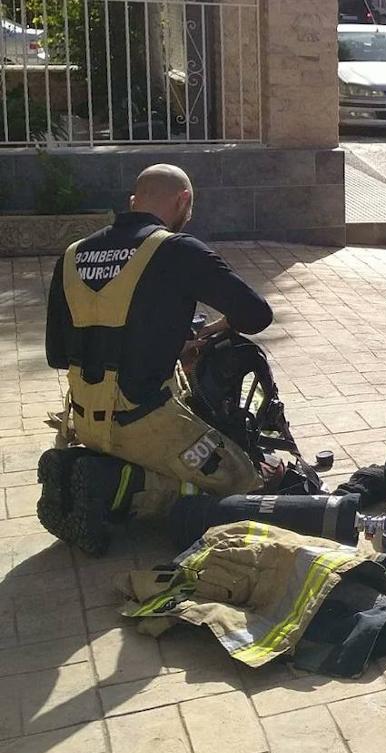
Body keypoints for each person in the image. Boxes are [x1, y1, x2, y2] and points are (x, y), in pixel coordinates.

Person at [40, 164, 273, 555]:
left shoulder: (72, 255)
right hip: (144, 420)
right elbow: (256, 315)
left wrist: (163, 344)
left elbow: (58, 353)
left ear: (133, 202)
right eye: (190, 208)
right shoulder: (178, 249)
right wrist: (221, 326)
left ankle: (89, 469)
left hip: (83, 417)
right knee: (243, 481)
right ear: (183, 200)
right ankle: (114, 484)